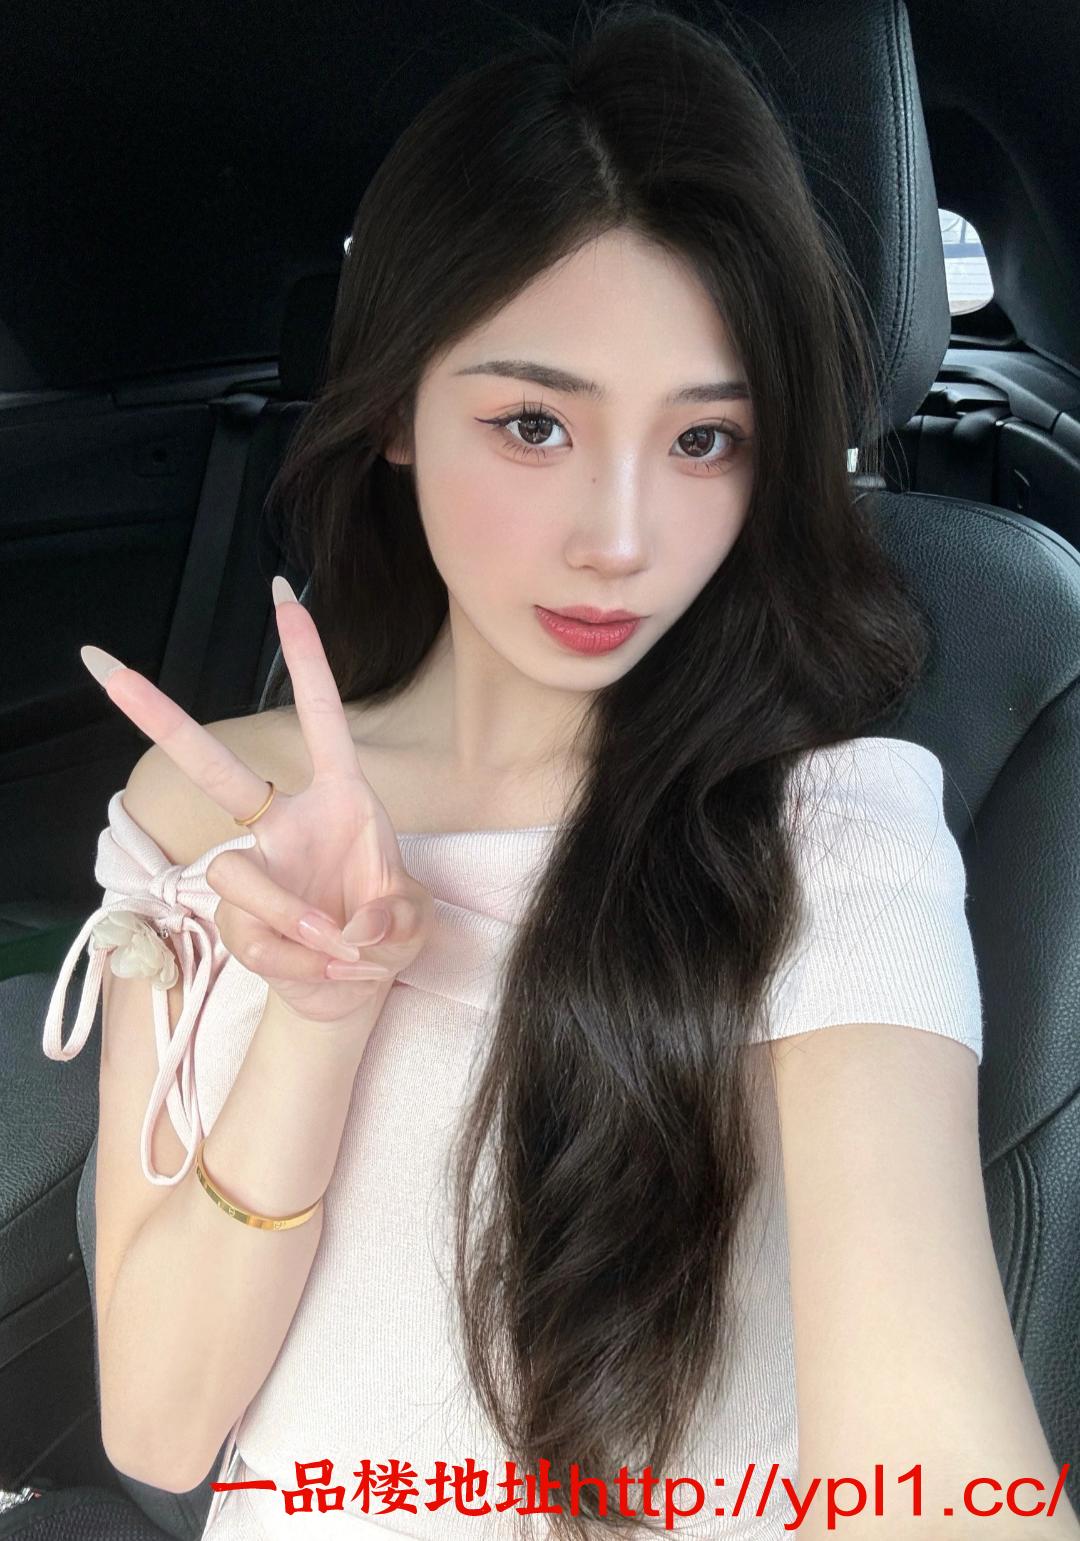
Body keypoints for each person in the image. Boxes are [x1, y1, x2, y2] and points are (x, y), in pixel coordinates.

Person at [43, 3, 1078, 1539]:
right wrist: (317, 1019)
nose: (621, 537)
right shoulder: (209, 812)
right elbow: (159, 1422)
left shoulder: (829, 830)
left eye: (704, 441)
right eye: (534, 423)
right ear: (398, 406)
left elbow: (934, 1466)